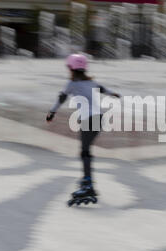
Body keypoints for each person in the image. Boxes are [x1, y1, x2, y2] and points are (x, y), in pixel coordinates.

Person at [46, 54, 120, 205]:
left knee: (85, 152)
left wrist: (52, 112)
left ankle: (88, 184)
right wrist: (113, 94)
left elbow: (61, 98)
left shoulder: (71, 83)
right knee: (86, 151)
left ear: (72, 68)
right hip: (99, 118)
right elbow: (102, 88)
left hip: (88, 120)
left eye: (68, 68)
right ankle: (87, 180)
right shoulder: (91, 82)